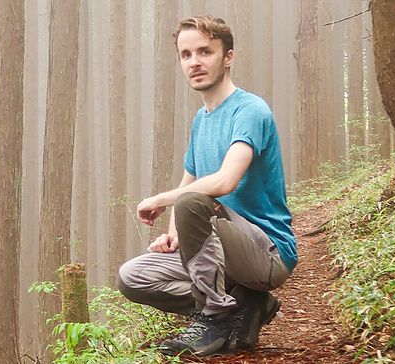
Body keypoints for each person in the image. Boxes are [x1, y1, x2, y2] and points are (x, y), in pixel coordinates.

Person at [117, 15, 298, 357]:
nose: (194, 62)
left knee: (191, 202)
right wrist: (173, 234)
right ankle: (244, 306)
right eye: (186, 55)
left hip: (266, 253)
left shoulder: (249, 110)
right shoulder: (201, 120)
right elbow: (189, 181)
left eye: (205, 52)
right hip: (224, 249)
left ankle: (215, 321)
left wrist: (161, 199)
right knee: (132, 277)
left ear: (227, 57)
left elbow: (225, 180)